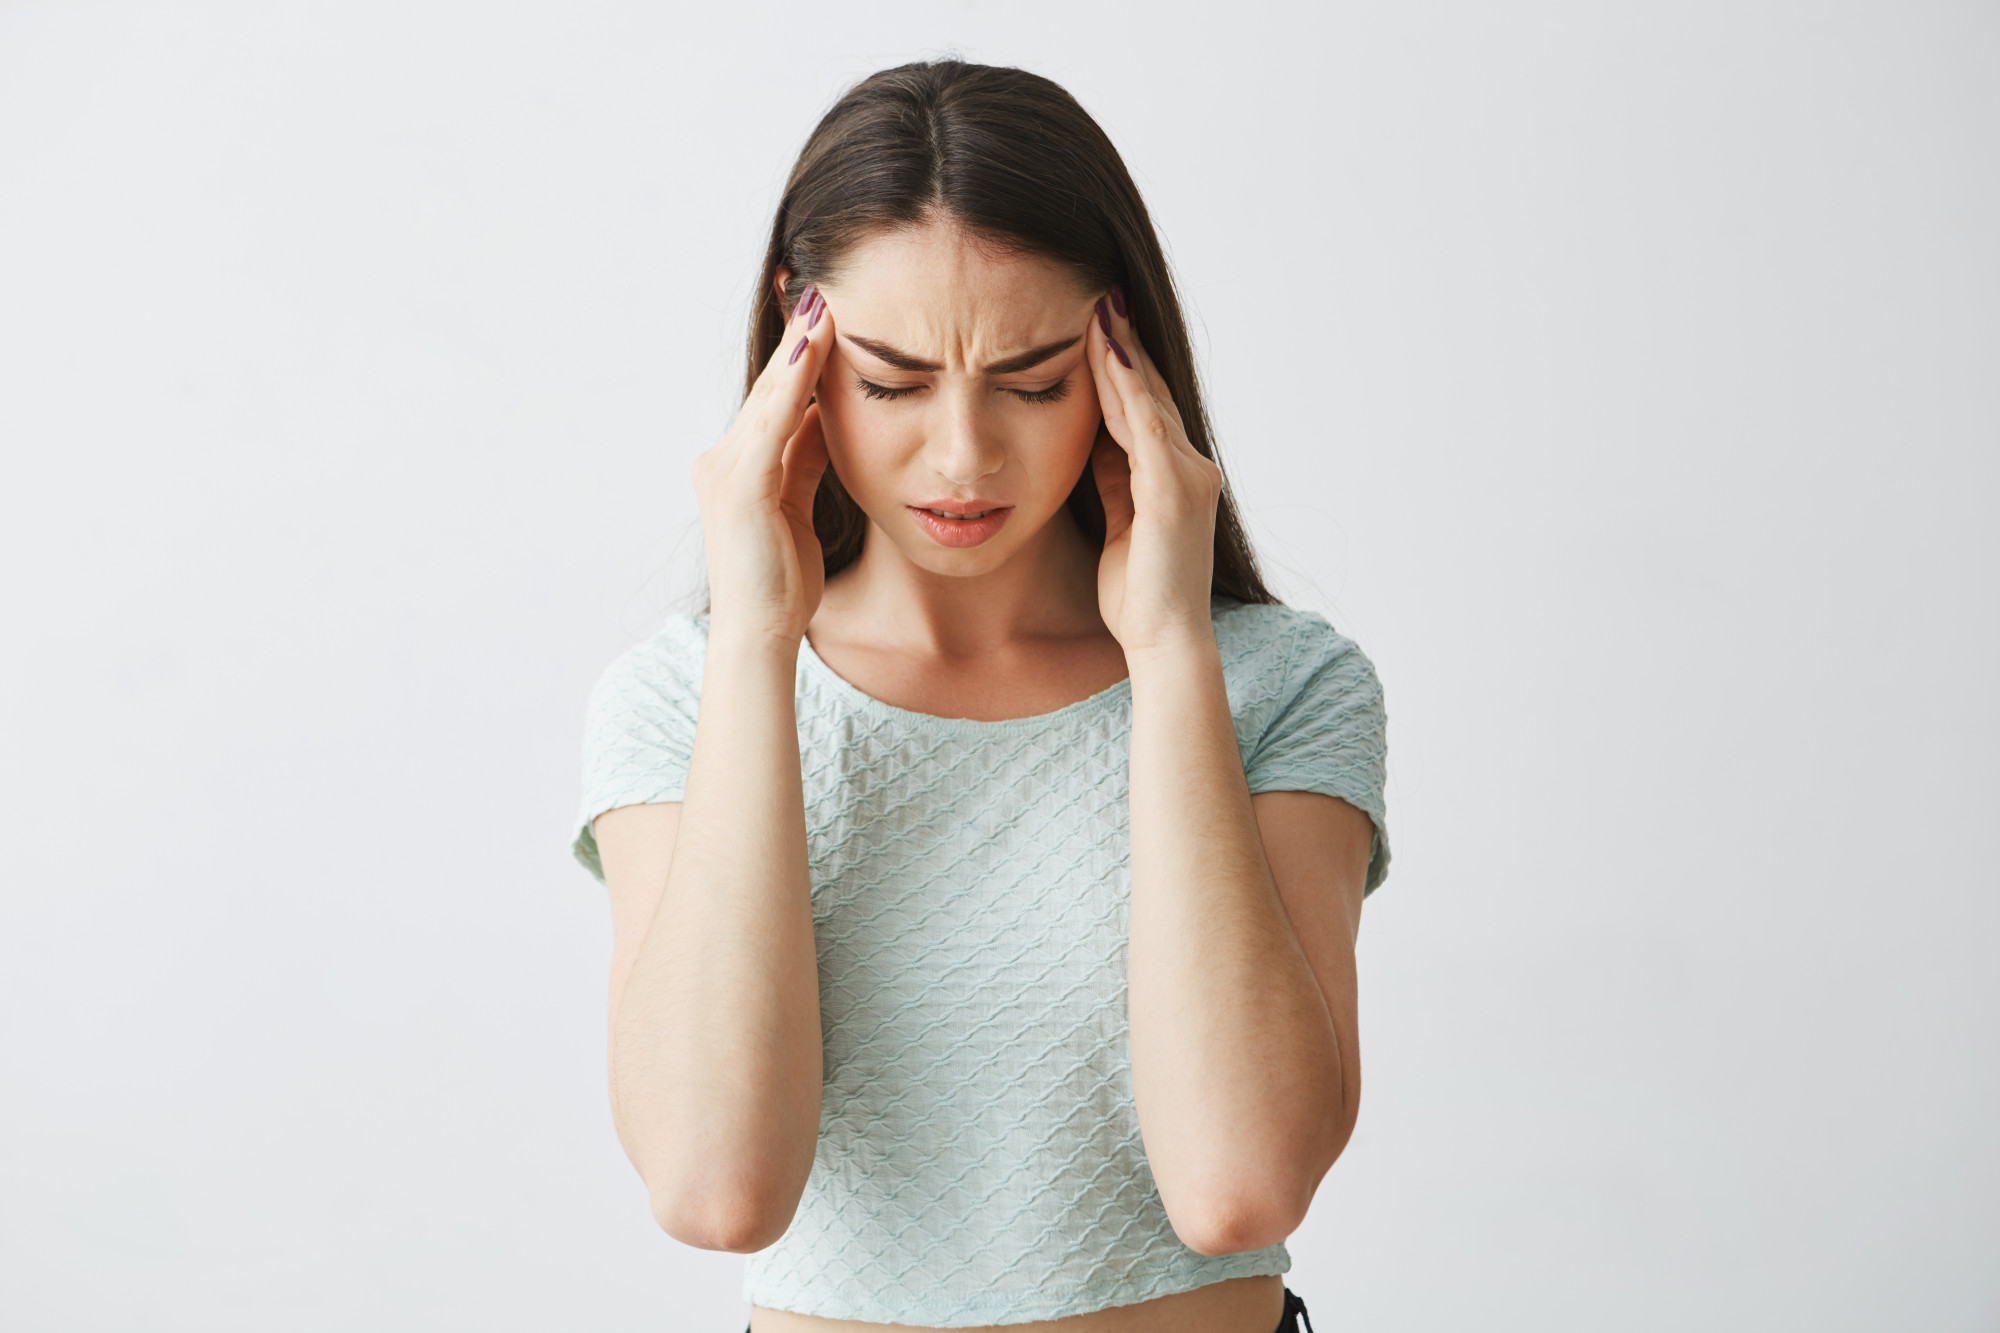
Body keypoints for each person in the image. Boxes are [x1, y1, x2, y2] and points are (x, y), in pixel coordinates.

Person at [572, 60, 1387, 1333]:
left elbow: (1238, 1183)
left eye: (1033, 380)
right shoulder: (680, 700)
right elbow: (716, 1185)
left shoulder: (1279, 686)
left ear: (1122, 357)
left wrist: (1168, 647)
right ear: (801, 351)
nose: (962, 456)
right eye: (893, 381)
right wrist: (754, 646)